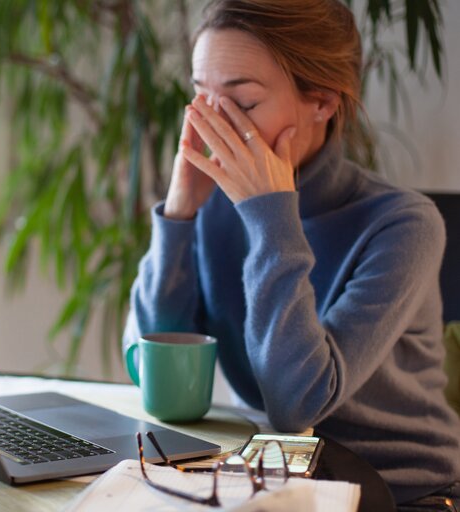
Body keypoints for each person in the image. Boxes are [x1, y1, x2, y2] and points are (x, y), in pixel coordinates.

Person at [122, 0, 460, 508]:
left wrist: (271, 217)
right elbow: (155, 372)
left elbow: (296, 402)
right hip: (280, 482)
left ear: (322, 102)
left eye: (245, 102)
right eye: (200, 97)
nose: (214, 123)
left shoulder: (404, 226)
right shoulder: (218, 207)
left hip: (406, 494)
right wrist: (179, 214)